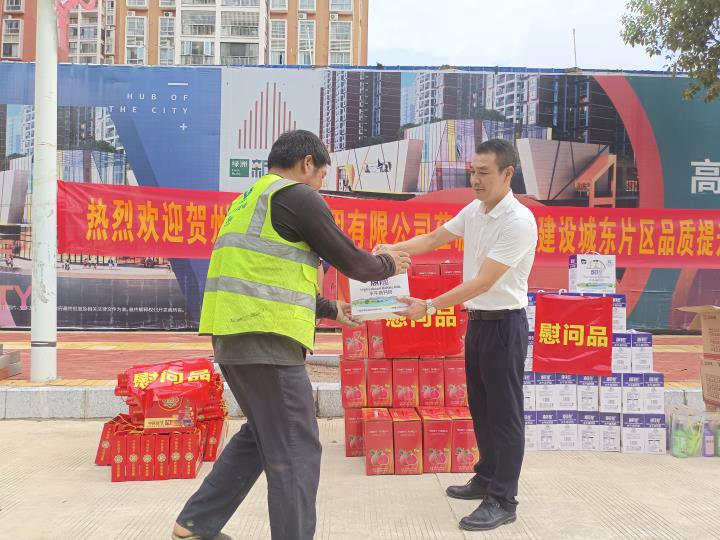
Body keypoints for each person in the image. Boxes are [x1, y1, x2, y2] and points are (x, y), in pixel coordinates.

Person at [171, 130, 410, 540]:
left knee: (261, 435)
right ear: (307, 163)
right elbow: (353, 261)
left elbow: (270, 276)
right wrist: (388, 263)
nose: (320, 186)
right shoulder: (297, 196)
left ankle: (193, 524)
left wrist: (333, 309)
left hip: (235, 335)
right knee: (297, 448)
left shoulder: (250, 199)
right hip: (267, 340)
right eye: (322, 176)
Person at [373, 139, 537, 532]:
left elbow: (483, 281)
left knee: (505, 414)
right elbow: (433, 239)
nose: (475, 180)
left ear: (507, 174)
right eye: (472, 172)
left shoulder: (518, 221)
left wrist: (429, 305)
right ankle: (487, 476)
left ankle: (504, 499)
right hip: (478, 323)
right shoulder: (476, 210)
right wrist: (389, 250)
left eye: (484, 173)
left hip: (505, 326)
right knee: (481, 406)